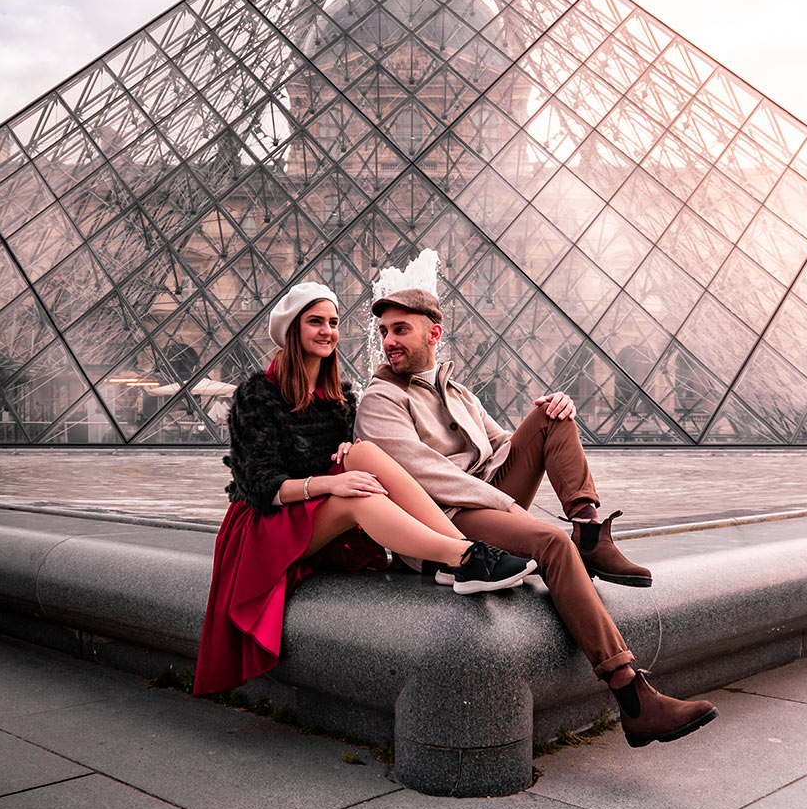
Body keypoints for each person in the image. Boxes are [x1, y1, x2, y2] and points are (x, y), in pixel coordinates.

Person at [354, 287, 718, 748]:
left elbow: (503, 444)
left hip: (485, 499)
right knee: (550, 543)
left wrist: (552, 414)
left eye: (400, 329)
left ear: (434, 333)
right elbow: (418, 472)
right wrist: (502, 503)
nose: (388, 341)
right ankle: (631, 695)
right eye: (385, 331)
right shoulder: (380, 399)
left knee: (553, 413)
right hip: (444, 519)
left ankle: (589, 530)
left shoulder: (460, 393)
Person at [193, 281, 536, 695]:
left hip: (318, 511)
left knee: (365, 453)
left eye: (333, 322)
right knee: (357, 495)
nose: (327, 331)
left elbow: (352, 462)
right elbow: (261, 487)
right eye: (315, 322)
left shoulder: (341, 398)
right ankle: (463, 554)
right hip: (266, 523)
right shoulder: (258, 395)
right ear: (292, 331)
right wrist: (332, 482)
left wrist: (345, 459)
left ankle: (462, 556)